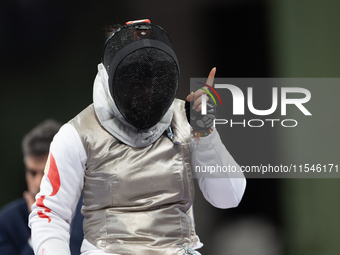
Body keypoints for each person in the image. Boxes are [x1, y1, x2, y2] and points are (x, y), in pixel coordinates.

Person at [29, 19, 246, 255]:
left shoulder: (186, 119)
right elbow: (50, 213)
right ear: (110, 74)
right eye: (135, 79)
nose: (145, 89)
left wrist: (206, 131)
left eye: (152, 77)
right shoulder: (78, 134)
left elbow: (229, 197)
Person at [0, 120, 84, 255]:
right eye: (32, 173)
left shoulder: (92, 213)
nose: (39, 183)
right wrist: (40, 231)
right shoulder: (6, 222)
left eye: (46, 173)